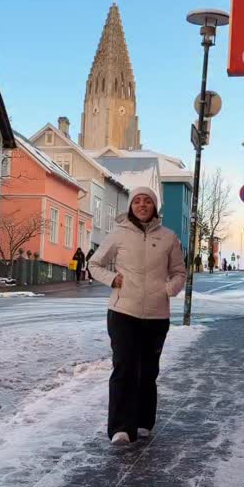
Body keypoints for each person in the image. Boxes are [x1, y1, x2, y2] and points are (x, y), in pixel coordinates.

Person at [89, 187, 186, 447]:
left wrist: (169, 289)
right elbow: (94, 264)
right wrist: (112, 279)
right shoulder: (119, 233)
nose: (142, 205)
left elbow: (179, 272)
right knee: (124, 367)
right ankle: (120, 428)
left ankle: (144, 421)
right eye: (137, 201)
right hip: (123, 311)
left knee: (148, 369)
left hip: (157, 314)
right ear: (131, 206)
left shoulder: (168, 237)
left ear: (155, 207)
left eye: (147, 201)